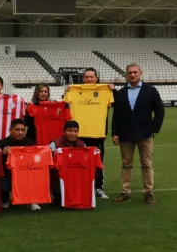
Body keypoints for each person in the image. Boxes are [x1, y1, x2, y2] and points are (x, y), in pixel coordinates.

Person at [112, 63, 165, 205]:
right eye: (130, 72)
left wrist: (153, 129)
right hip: (125, 134)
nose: (132, 75)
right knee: (126, 164)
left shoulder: (150, 90)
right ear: (126, 75)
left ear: (141, 73)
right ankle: (125, 191)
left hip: (145, 134)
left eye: (135, 72)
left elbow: (160, 111)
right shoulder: (121, 92)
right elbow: (116, 115)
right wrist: (115, 132)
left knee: (146, 164)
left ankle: (148, 192)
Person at [63, 68, 115, 199]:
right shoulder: (73, 90)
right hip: (77, 135)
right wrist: (66, 91)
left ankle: (98, 188)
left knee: (98, 163)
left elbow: (117, 104)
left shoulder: (105, 90)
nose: (89, 79)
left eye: (92, 77)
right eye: (87, 77)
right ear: (83, 79)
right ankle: (79, 187)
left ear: (96, 78)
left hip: (97, 134)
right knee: (77, 164)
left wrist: (113, 90)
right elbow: (64, 104)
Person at [0, 118, 37, 209]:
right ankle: (5, 199)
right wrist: (1, 153)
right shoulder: (2, 143)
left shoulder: (30, 143)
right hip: (7, 176)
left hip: (25, 175)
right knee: (2, 186)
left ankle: (31, 200)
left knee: (38, 176)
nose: (20, 132)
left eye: (22, 130)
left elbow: (37, 158)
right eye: (17, 130)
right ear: (10, 130)